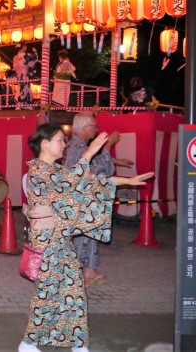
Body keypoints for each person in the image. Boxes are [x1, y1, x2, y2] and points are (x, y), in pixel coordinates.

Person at [19, 123, 153, 352]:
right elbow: (70, 184)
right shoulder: (38, 172)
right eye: (61, 139)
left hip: (60, 243)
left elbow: (91, 182)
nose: (64, 144)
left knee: (73, 291)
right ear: (45, 143)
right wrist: (89, 153)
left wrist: (126, 181)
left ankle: (78, 344)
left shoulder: (57, 171)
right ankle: (29, 344)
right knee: (49, 294)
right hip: (47, 244)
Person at [64, 112, 134, 287]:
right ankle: (77, 274)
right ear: (86, 128)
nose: (97, 130)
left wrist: (116, 161)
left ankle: (88, 270)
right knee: (83, 237)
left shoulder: (77, 146)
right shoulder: (79, 148)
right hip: (82, 201)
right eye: (95, 127)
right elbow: (103, 170)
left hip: (85, 200)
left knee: (89, 235)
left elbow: (96, 163)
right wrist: (108, 144)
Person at [12, 42, 39, 108]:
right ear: (21, 47)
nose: (26, 48)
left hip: (24, 75)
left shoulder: (20, 56)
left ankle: (27, 105)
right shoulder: (21, 54)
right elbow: (33, 57)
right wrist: (35, 52)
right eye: (24, 46)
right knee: (24, 90)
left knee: (27, 89)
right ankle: (19, 105)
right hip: (23, 75)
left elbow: (31, 62)